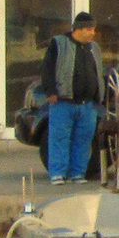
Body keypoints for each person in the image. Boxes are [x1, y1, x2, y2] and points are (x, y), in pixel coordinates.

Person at [40, 12, 105, 184]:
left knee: (83, 139)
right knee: (59, 138)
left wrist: (101, 95)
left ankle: (77, 173)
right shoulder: (59, 44)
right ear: (78, 29)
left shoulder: (94, 48)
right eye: (89, 29)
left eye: (93, 29)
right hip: (63, 101)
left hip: (88, 104)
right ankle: (58, 173)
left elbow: (99, 72)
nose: (93, 33)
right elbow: (47, 69)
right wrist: (50, 92)